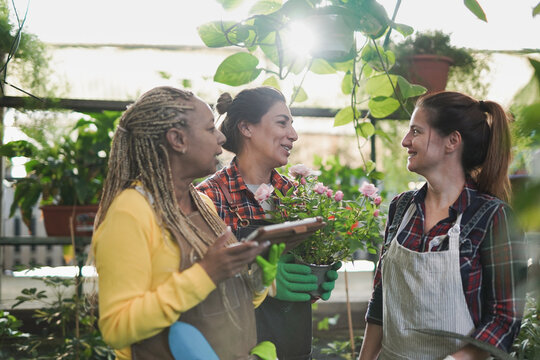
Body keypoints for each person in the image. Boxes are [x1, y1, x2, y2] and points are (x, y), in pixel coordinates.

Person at [92, 86, 283, 360]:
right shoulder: (131, 212)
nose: (221, 136)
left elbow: (221, 304)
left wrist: (257, 282)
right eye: (209, 129)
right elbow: (116, 329)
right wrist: (206, 273)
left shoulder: (202, 206)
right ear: (177, 139)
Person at [358, 91, 528, 360]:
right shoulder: (401, 208)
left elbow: (504, 319)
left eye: (416, 131)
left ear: (452, 141)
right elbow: (381, 298)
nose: (405, 141)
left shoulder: (492, 217)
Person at [197, 86, 340, 360]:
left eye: (292, 125)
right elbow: (201, 284)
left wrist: (316, 277)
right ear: (247, 128)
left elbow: (301, 277)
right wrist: (264, 283)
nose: (293, 135)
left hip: (294, 348)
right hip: (236, 350)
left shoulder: (297, 196)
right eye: (282, 122)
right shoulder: (210, 197)